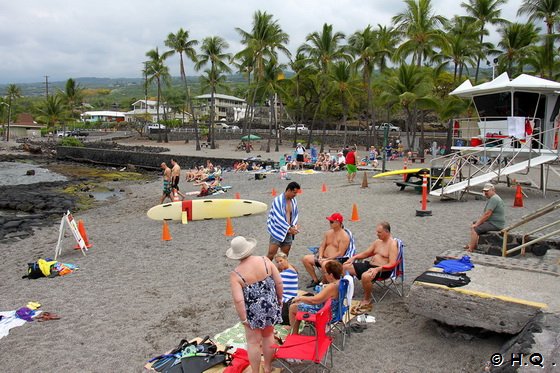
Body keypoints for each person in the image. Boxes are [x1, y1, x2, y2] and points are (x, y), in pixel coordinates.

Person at [228, 236, 283, 373]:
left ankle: (255, 371)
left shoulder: (236, 274)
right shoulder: (265, 260)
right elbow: (279, 282)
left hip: (253, 311)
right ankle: (268, 367)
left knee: (253, 342)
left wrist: (244, 319)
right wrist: (279, 300)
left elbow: (239, 300)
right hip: (270, 305)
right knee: (268, 336)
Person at [343, 221, 398, 314]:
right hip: (370, 265)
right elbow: (366, 253)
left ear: (387, 232)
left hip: (382, 270)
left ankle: (367, 298)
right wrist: (354, 257)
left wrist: (378, 269)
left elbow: (392, 264)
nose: (377, 234)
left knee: (365, 276)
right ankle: (348, 291)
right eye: (377, 232)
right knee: (345, 266)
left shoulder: (392, 244)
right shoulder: (377, 242)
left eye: (379, 232)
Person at [287, 261, 343, 334]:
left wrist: (300, 298)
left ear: (331, 275)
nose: (324, 275)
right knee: (300, 304)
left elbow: (314, 301)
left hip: (325, 314)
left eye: (325, 273)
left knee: (293, 307)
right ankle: (295, 329)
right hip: (336, 311)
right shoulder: (341, 282)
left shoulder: (331, 287)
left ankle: (294, 333)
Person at [301, 213, 351, 288]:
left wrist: (327, 259)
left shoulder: (344, 236)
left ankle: (323, 282)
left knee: (325, 264)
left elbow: (340, 253)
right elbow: (322, 246)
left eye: (331, 222)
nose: (329, 223)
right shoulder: (328, 233)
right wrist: (320, 256)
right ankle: (315, 280)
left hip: (335, 260)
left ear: (338, 223)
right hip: (323, 257)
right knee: (305, 259)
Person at [266, 181, 301, 260]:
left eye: (296, 193)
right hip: (277, 229)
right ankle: (266, 270)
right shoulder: (278, 200)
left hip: (289, 231)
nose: (295, 195)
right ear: (288, 190)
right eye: (294, 192)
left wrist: (294, 226)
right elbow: (278, 217)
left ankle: (281, 270)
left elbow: (295, 214)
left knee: (285, 254)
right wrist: (289, 228)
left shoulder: (293, 200)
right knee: (271, 253)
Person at [466, 183, 505, 252]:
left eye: (487, 191)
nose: (485, 193)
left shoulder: (494, 199)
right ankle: (473, 244)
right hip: (495, 222)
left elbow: (487, 214)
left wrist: (477, 224)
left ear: (493, 190)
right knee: (475, 223)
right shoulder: (494, 198)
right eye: (484, 191)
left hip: (495, 224)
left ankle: (471, 248)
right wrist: (477, 222)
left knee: (475, 228)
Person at [274, 252, 299, 325]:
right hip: (290, 298)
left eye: (281, 261)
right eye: (277, 262)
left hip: (287, 301)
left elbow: (275, 279)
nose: (279, 263)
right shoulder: (291, 268)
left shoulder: (288, 273)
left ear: (286, 259)